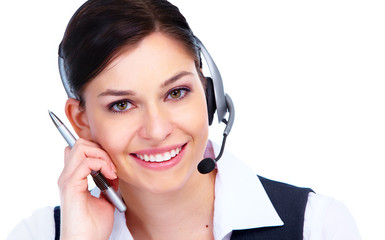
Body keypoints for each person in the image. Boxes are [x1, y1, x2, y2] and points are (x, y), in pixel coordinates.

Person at [8, 0, 361, 239]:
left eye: (176, 93)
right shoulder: (38, 233)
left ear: (211, 94)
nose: (158, 130)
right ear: (80, 121)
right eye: (122, 105)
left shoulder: (317, 226)